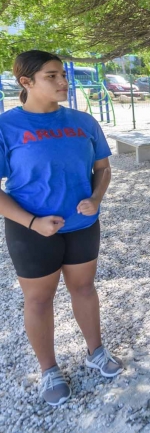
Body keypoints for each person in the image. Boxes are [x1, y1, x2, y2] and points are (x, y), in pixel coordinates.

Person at [0, 50, 123, 407]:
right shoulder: (8, 127)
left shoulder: (84, 122)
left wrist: (97, 198)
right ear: (27, 82)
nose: (62, 82)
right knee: (38, 300)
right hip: (30, 230)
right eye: (51, 76)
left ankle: (95, 351)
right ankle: (49, 370)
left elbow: (102, 169)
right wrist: (32, 222)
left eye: (62, 75)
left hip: (82, 224)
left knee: (84, 289)